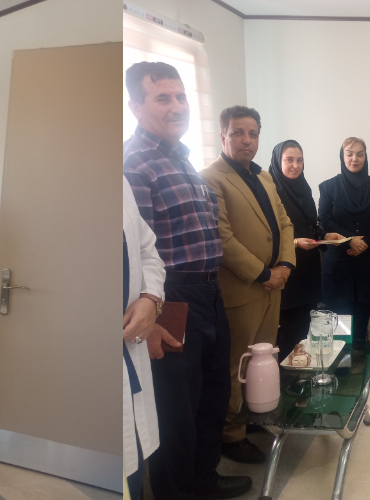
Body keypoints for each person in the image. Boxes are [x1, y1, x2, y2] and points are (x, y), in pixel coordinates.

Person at [124, 61, 249, 499]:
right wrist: (152, 317)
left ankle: (204, 482)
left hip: (208, 292)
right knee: (176, 410)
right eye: (163, 98)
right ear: (135, 106)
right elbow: (135, 255)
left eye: (180, 96)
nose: (176, 106)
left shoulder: (181, 159)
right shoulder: (133, 165)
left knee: (212, 395)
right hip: (171, 296)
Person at [200, 105, 295, 464]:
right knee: (237, 364)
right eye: (238, 132)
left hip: (272, 286)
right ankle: (230, 433)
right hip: (242, 290)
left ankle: (254, 415)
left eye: (252, 133)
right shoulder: (210, 178)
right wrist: (263, 273)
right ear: (222, 135)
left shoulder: (265, 177)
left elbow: (284, 223)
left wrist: (285, 264)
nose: (246, 140)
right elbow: (222, 237)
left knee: (263, 360)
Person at [268, 140, 341, 359]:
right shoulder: (270, 191)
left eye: (299, 160)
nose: (295, 165)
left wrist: (324, 236)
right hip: (286, 269)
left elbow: (311, 225)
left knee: (303, 328)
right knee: (288, 329)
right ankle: (285, 374)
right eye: (289, 160)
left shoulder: (303, 188)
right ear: (278, 161)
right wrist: (294, 243)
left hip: (307, 269)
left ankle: (299, 367)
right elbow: (266, 234)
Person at [318, 138, 370, 359]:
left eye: (359, 154)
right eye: (349, 153)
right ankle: (342, 351)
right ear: (342, 156)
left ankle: (359, 348)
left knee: (363, 304)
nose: (354, 158)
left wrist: (364, 242)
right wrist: (350, 240)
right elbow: (324, 219)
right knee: (341, 306)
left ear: (365, 157)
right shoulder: (329, 187)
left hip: (368, 256)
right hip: (340, 258)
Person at [124, 176, 164, 500]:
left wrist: (151, 298)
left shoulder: (119, 183)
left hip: (128, 346)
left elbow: (148, 252)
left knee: (133, 462)